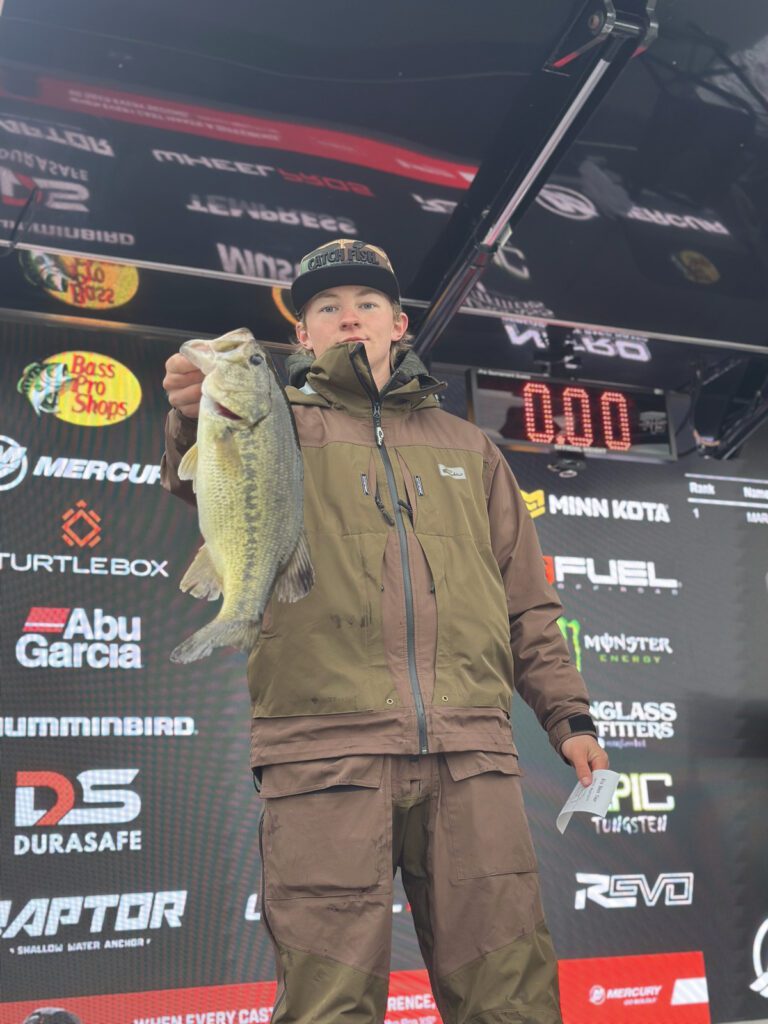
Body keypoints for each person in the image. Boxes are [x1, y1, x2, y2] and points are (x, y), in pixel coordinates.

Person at [161, 238, 608, 1024]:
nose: (349, 318)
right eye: (327, 307)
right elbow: (198, 471)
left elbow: (527, 604)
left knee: (511, 1000)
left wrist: (569, 717)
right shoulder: (275, 421)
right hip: (324, 755)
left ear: (398, 324)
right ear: (302, 334)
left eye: (367, 303)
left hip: (471, 757)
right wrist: (188, 414)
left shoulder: (471, 448)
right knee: (328, 1005)